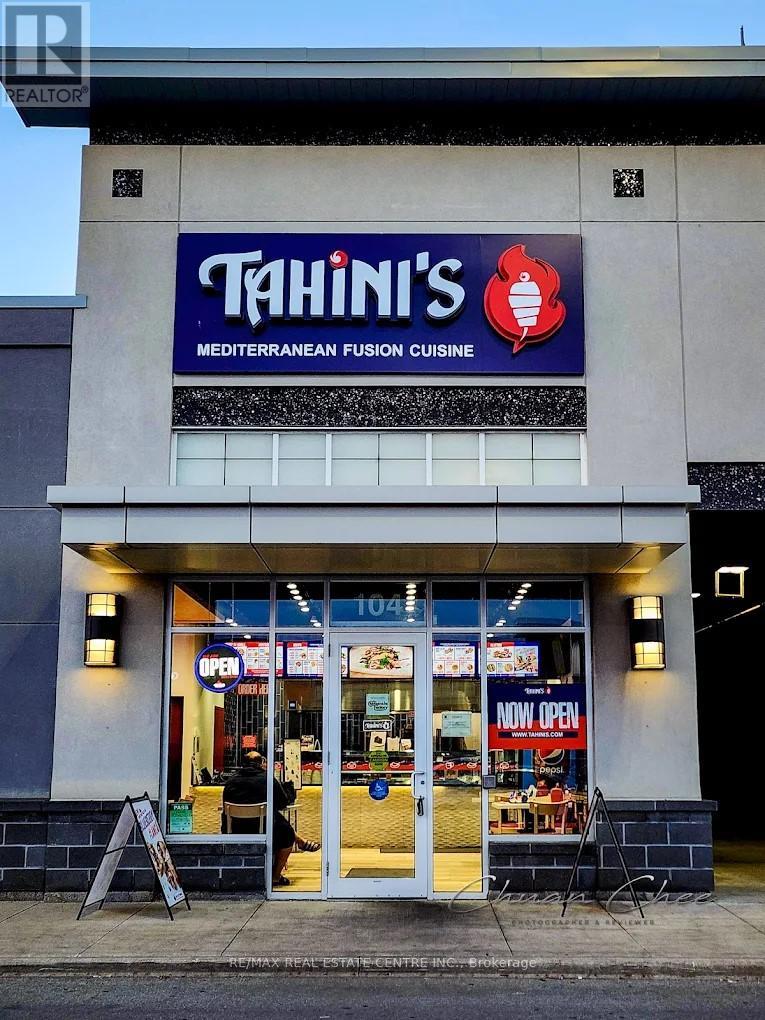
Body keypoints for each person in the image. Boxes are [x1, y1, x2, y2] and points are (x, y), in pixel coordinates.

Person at [222, 751, 320, 886]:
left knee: (275, 816)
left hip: (235, 830)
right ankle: (275, 876)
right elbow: (282, 803)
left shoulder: (231, 781)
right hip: (264, 830)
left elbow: (225, 804)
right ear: (261, 763)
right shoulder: (267, 780)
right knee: (288, 835)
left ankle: (300, 841)